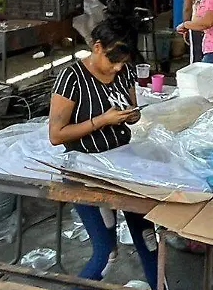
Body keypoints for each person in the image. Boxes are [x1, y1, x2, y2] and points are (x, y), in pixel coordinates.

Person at [47, 18, 158, 289]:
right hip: (86, 172)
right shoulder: (71, 78)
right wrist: (102, 120)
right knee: (106, 252)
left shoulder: (124, 69)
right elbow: (56, 135)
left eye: (123, 62)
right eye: (113, 61)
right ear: (97, 47)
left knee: (148, 240)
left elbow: (131, 106)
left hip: (122, 165)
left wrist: (131, 116)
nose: (118, 68)